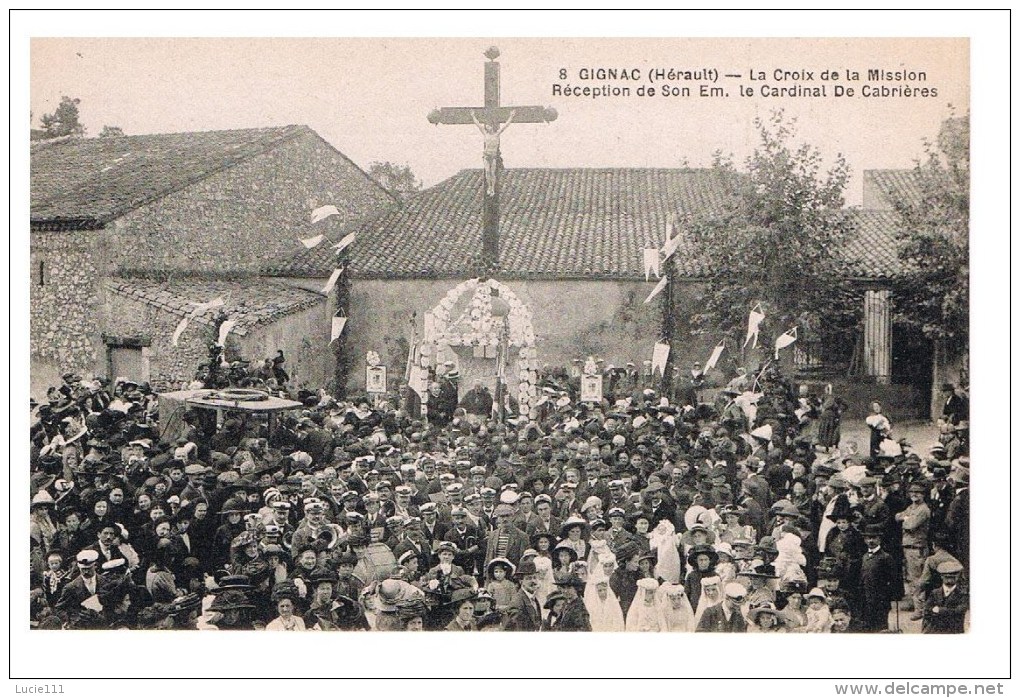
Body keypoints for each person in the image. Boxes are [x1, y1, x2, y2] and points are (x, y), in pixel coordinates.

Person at [921, 560, 967, 634]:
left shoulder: (963, 594)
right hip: (934, 631)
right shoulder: (934, 592)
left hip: (954, 631)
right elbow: (926, 611)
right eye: (946, 577)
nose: (949, 580)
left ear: (957, 577)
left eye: (952, 577)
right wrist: (948, 612)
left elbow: (958, 612)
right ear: (941, 577)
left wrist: (938, 610)